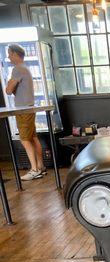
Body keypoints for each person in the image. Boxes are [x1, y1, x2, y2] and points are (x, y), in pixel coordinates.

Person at [5, 43, 46, 181]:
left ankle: (34, 170)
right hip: (29, 108)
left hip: (23, 109)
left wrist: (9, 82)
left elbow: (8, 90)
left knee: (24, 140)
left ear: (16, 54)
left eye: (9, 53)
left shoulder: (17, 69)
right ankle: (40, 166)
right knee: (33, 138)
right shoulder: (25, 68)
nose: (8, 56)